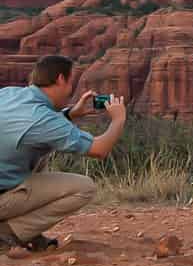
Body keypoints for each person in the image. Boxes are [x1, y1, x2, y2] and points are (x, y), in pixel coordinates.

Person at [0, 55, 127, 252]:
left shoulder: (9, 94)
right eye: (71, 82)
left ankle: (29, 233)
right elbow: (99, 150)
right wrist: (118, 120)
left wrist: (70, 114)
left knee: (40, 153)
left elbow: (31, 125)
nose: (72, 90)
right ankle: (8, 234)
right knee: (84, 188)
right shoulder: (43, 120)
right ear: (60, 79)